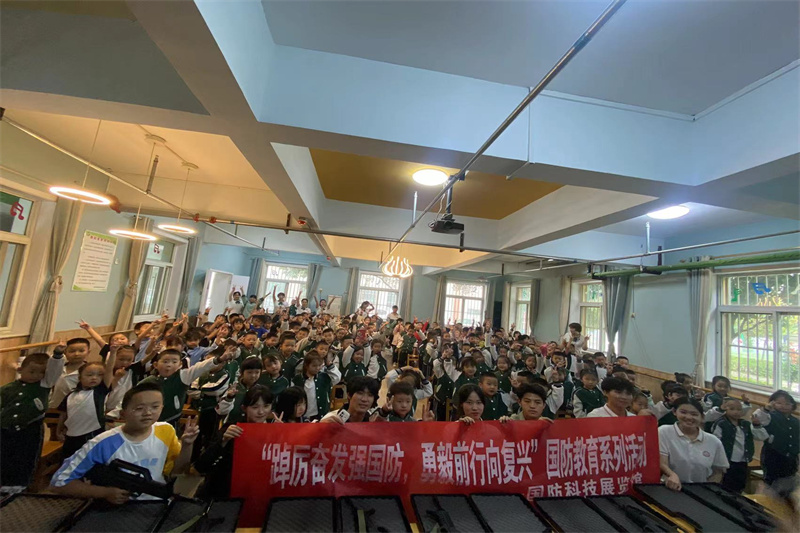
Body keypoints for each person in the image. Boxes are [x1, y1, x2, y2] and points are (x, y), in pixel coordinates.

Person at [51, 381, 200, 503]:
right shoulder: (102, 443)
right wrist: (104, 493)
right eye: (139, 408)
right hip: (117, 511)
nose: (148, 413)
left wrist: (187, 445)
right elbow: (59, 482)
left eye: (155, 407)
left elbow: (177, 470)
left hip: (156, 503)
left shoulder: (166, 430)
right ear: (123, 413)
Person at [1, 343, 65, 487]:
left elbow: (54, 372)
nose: (36, 376)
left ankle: (18, 485)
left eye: (41, 373)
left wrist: (57, 355)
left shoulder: (43, 385)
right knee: (4, 455)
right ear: (20, 369)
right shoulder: (7, 389)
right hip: (5, 428)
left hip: (30, 429)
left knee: (25, 457)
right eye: (32, 372)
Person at [194, 385, 277, 498]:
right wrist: (223, 441)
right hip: (225, 493)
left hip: (258, 493)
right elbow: (201, 466)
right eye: (255, 407)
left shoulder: (275, 430)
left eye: (266, 406)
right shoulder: (232, 429)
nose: (261, 412)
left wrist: (284, 437)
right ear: (244, 408)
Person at [141, 346, 235, 427]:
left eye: (174, 362)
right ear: (156, 365)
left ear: (180, 365)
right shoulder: (149, 381)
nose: (169, 365)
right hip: (149, 422)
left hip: (171, 421)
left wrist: (219, 359)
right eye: (165, 361)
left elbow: (200, 367)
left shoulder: (183, 376)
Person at [659, 397, 729, 491]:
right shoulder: (663, 431)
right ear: (674, 412)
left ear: (702, 417)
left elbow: (718, 471)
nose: (688, 417)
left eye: (694, 414)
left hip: (700, 491)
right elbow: (662, 462)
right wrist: (672, 475)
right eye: (683, 412)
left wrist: (708, 490)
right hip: (668, 488)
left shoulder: (714, 441)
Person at [56, 352, 116, 458]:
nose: (94, 378)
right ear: (80, 377)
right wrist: (58, 430)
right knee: (68, 460)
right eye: (89, 375)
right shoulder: (71, 395)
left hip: (92, 433)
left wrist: (113, 352)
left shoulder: (100, 391)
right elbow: (63, 414)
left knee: (89, 460)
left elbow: (110, 369)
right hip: (71, 434)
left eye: (99, 375)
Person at [711, 397, 769, 493]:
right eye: (732, 409)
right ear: (725, 409)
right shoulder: (721, 423)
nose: (736, 412)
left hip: (743, 460)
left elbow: (762, 436)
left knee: (740, 483)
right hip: (727, 459)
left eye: (739, 409)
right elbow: (715, 440)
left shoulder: (745, 424)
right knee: (726, 484)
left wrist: (756, 425)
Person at [752, 390, 799, 487]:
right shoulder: (769, 417)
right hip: (773, 455)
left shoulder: (795, 421)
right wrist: (766, 409)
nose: (783, 406)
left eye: (787, 404)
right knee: (771, 481)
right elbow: (758, 417)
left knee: (789, 479)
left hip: (791, 457)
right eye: (779, 403)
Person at [292, 351, 341, 420]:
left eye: (319, 365)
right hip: (303, 415)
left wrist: (329, 365)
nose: (317, 368)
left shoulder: (324, 377)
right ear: (306, 365)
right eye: (314, 366)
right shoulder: (297, 379)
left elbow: (337, 378)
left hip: (320, 414)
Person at [49, 338, 91, 408]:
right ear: (65, 352)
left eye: (81, 351)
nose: (76, 354)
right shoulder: (59, 368)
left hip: (74, 408)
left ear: (88, 352)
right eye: (72, 351)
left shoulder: (89, 372)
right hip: (53, 406)